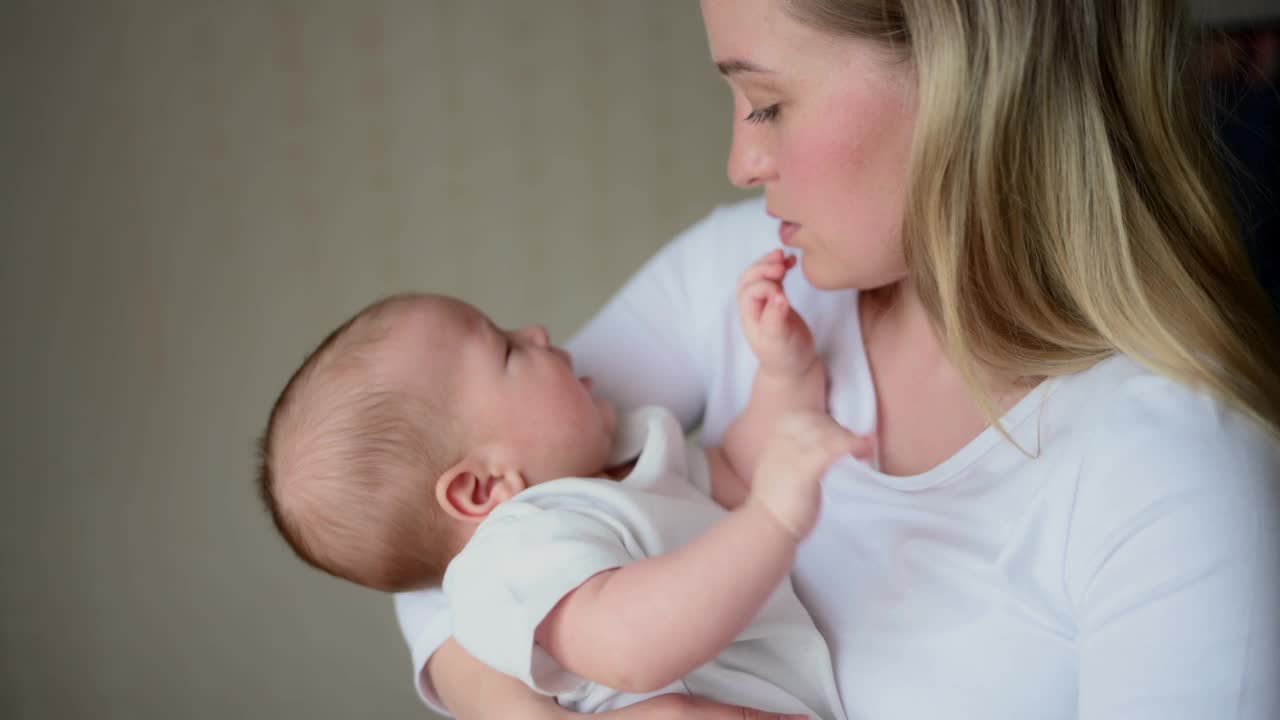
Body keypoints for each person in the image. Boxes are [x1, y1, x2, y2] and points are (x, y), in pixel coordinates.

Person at [394, 1, 1280, 718]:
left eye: (768, 103)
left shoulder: (1177, 474)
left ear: (967, 83)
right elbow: (435, 508)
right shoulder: (746, 278)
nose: (741, 160)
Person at [258, 252, 872, 720]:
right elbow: (631, 647)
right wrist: (772, 522)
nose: (538, 333)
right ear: (480, 489)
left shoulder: (628, 458)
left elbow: (739, 470)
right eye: (506, 351)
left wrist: (784, 372)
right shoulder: (510, 557)